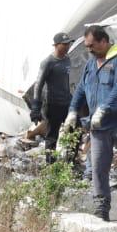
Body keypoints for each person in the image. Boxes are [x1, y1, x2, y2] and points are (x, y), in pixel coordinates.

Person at [65, 25, 117, 222]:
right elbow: (81, 89)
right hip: (98, 126)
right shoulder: (91, 64)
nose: (89, 50)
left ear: (104, 41)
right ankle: (101, 206)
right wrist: (72, 110)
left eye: (92, 45)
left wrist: (104, 109)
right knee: (98, 166)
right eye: (87, 46)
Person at [28, 33, 74, 161]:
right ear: (56, 45)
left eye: (68, 44)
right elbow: (38, 85)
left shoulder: (67, 59)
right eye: (64, 44)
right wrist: (36, 107)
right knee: (52, 135)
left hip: (67, 102)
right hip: (53, 104)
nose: (67, 47)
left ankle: (69, 162)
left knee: (75, 130)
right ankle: (51, 166)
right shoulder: (48, 62)